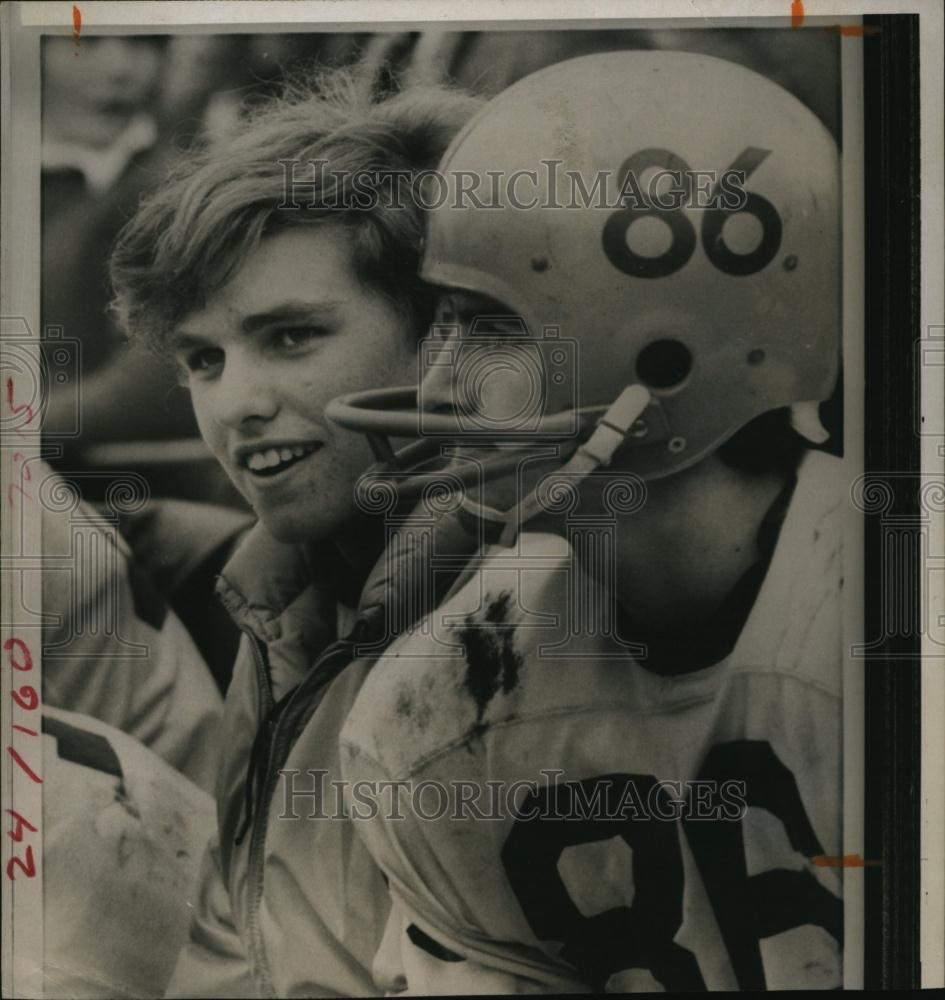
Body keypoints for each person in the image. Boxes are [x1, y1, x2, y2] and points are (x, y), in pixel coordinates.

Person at [332, 50, 844, 991]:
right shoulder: (442, 706)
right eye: (438, 324)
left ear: (665, 360)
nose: (437, 383)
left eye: (486, 326)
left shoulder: (886, 631)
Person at [108, 68, 483, 996]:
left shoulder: (521, 622)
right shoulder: (282, 598)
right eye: (203, 359)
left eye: (290, 337)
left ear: (445, 333)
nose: (236, 403)